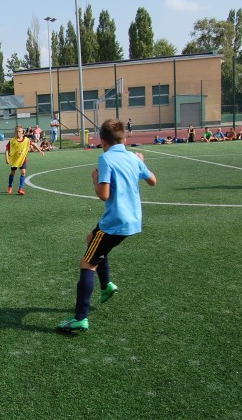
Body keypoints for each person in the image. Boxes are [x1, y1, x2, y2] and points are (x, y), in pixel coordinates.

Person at [56, 119, 157, 332]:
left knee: (87, 263)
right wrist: (141, 163)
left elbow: (103, 195)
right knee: (92, 239)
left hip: (114, 223)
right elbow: (153, 181)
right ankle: (107, 285)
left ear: (102, 141)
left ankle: (80, 317)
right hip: (133, 220)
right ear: (124, 138)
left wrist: (95, 178)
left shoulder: (105, 159)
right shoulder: (133, 157)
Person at [5, 125, 43, 195]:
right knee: (12, 172)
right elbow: (7, 149)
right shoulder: (12, 141)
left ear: (23, 133)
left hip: (23, 159)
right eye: (16, 131)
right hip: (15, 159)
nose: (17, 133)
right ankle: (10, 186)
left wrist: (40, 150)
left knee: (23, 172)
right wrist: (7, 158)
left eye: (19, 131)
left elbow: (34, 144)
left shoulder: (26, 140)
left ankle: (20, 188)